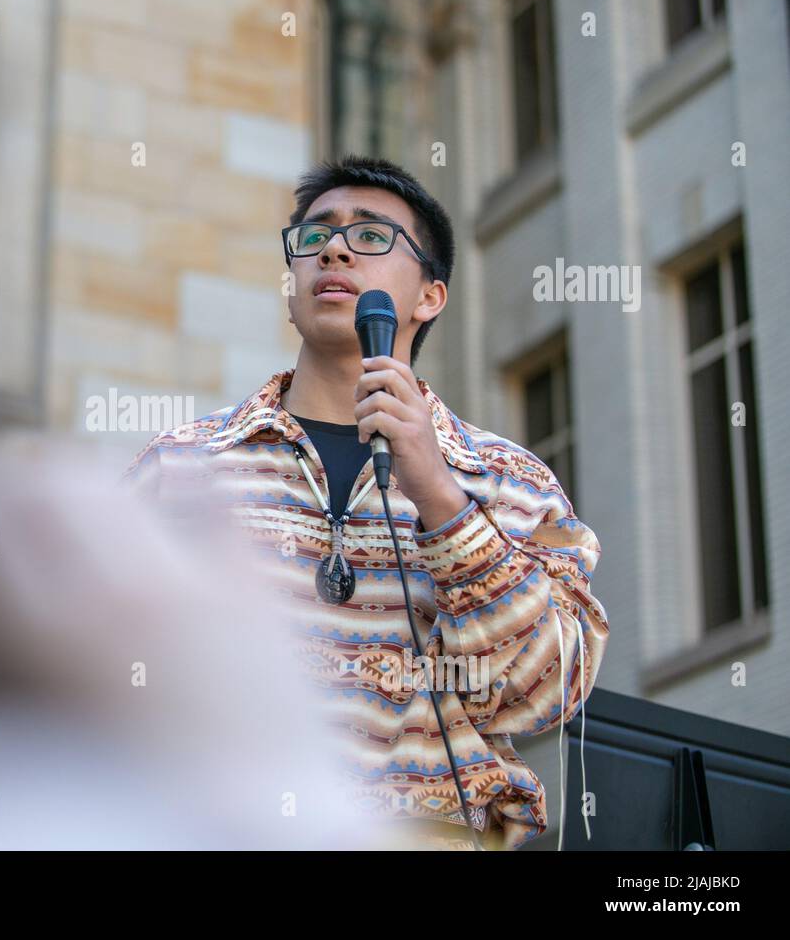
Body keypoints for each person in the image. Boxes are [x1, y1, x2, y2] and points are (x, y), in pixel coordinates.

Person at [121, 155, 610, 850]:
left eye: (372, 235)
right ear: (291, 286)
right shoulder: (182, 469)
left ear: (429, 296)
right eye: (315, 236)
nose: (337, 248)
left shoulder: (510, 480)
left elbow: (549, 692)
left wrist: (441, 498)